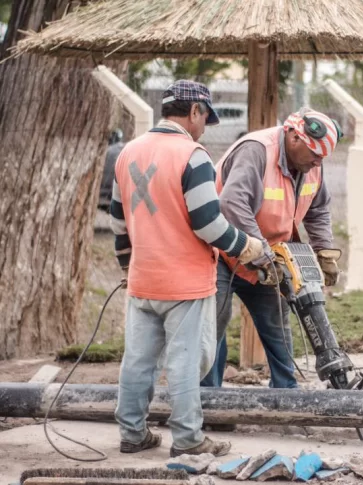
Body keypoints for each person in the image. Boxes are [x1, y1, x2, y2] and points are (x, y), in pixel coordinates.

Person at [110, 80, 264, 457]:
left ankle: (132, 434)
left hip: (143, 280)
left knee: (137, 362)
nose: (203, 126)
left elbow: (118, 221)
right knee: (184, 363)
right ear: (194, 112)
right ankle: (188, 439)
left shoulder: (128, 152)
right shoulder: (192, 156)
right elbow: (208, 224)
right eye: (203, 118)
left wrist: (130, 267)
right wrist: (247, 246)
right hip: (185, 283)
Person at [201, 108, 343, 391]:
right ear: (293, 137)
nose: (318, 162)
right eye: (314, 153)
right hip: (221, 254)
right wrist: (262, 253)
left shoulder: (313, 164)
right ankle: (208, 398)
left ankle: (285, 393)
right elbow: (231, 204)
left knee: (277, 323)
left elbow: (317, 209)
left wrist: (324, 250)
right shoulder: (256, 152)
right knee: (214, 322)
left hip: (267, 258)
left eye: (322, 157)